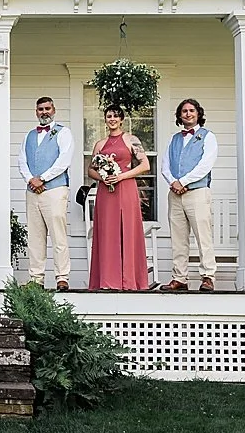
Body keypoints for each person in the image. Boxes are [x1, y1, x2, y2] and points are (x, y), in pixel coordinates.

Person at [88, 104, 151, 291]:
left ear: (122, 119)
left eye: (116, 116)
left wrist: (122, 175)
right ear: (105, 120)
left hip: (126, 188)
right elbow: (90, 169)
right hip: (106, 192)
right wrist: (103, 178)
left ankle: (129, 280)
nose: (112, 119)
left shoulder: (132, 139)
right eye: (109, 116)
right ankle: (107, 280)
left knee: (127, 230)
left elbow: (145, 164)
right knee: (107, 233)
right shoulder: (100, 144)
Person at [161, 98, 219, 293]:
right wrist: (173, 182)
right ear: (179, 115)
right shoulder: (174, 139)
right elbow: (165, 165)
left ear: (198, 113)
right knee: (178, 238)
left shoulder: (207, 137)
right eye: (184, 111)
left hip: (197, 192)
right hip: (175, 194)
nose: (188, 114)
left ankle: (208, 276)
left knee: (203, 236)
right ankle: (180, 278)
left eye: (191, 110)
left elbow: (205, 165)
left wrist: (183, 181)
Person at [17, 96, 74, 291]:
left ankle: (62, 277)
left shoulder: (63, 132)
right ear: (36, 112)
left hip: (55, 189)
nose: (44, 112)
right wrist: (31, 180)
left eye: (47, 108)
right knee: (35, 236)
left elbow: (64, 160)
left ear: (54, 109)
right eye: (40, 109)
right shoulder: (29, 135)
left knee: (58, 234)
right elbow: (22, 161)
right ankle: (36, 278)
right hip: (32, 191)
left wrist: (43, 178)